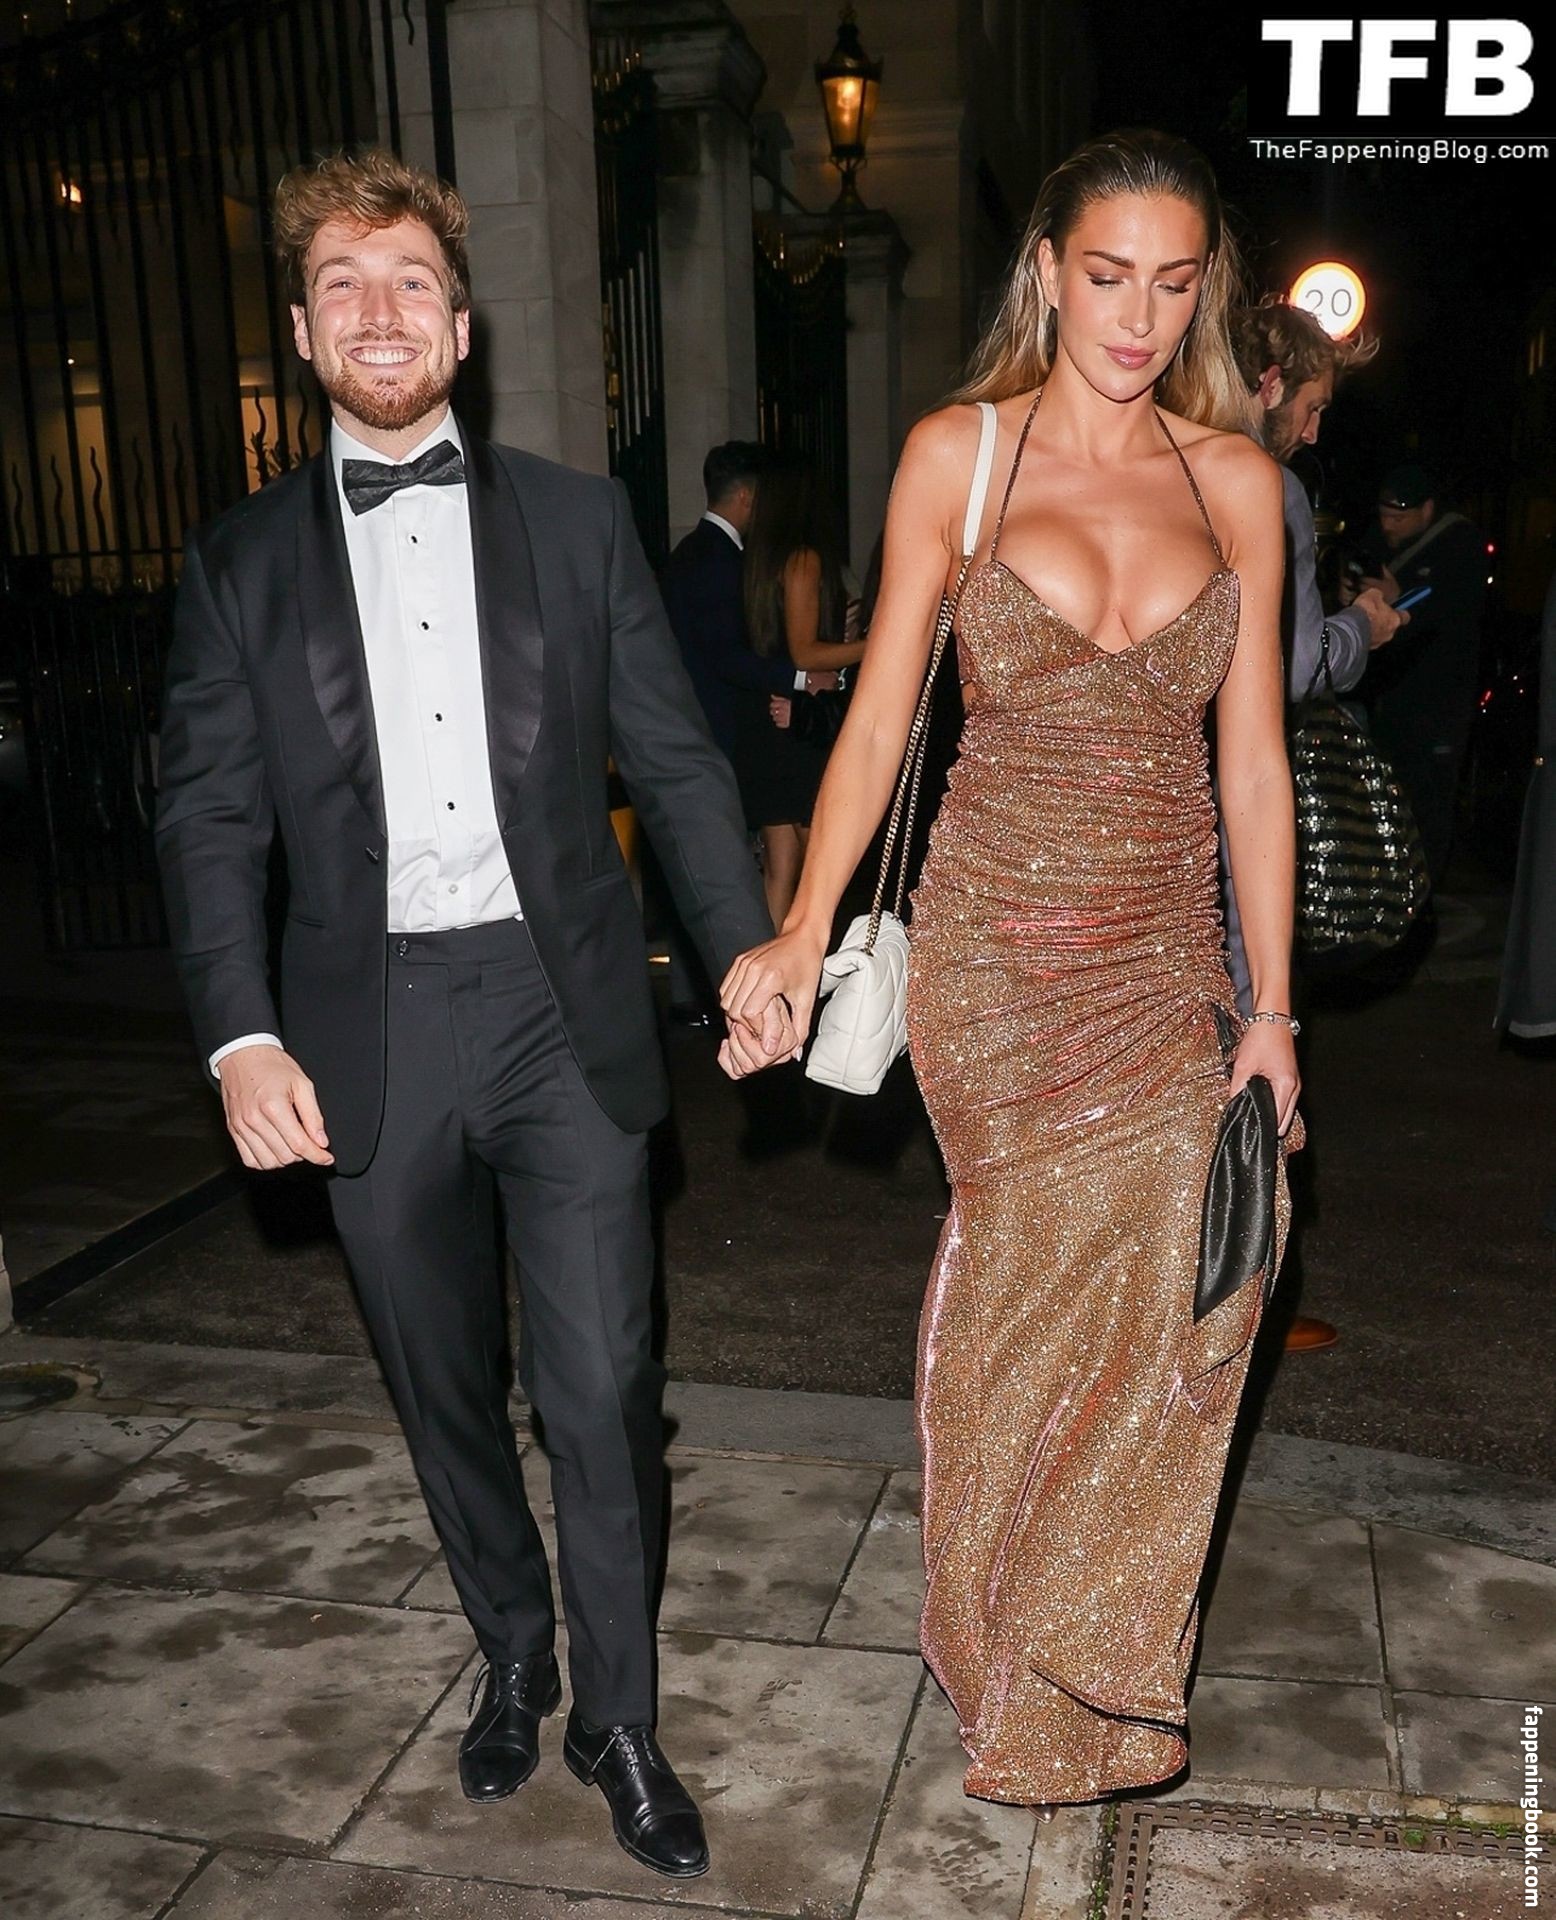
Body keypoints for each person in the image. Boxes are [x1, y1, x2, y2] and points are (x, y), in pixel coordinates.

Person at [154, 150, 793, 1880]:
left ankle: (620, 1719)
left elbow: (676, 760)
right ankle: (514, 1644)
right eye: (343, 286)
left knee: (604, 1386)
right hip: (361, 1029)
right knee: (443, 1386)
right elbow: (205, 818)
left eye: (412, 283)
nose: (381, 313)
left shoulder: (578, 524)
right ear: (304, 334)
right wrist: (239, 1034)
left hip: (557, 1002)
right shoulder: (237, 565)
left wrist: (745, 950)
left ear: (463, 325)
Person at [719, 129, 1301, 1809]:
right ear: (1047, 269)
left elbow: (1253, 766)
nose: (1136, 316)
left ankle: (1089, 1670)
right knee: (1033, 1304)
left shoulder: (1237, 483)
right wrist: (802, 926)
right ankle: (1010, 1650)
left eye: (1171, 283)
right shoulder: (958, 458)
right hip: (994, 955)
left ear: (1205, 292)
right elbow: (878, 721)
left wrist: (1272, 1010)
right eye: (1106, 276)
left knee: (1198, 1287)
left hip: (1164, 952)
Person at [1227, 300, 1406, 1355]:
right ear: (1267, 384)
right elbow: (1289, 669)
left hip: (1134, 816)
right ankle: (1239, 1305)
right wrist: (1360, 631)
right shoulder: (1269, 488)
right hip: (1231, 826)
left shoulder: (1160, 457)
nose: (1313, 428)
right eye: (1311, 404)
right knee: (1252, 1058)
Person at [657, 442, 837, 1021]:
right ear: (745, 497)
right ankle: (746, 994)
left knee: (744, 864)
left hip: (709, 735)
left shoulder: (692, 554)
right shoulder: (719, 561)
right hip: (722, 737)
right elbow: (727, 657)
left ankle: (729, 994)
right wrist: (800, 676)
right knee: (732, 868)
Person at [734, 453, 868, 927]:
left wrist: (842, 637)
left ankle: (772, 971)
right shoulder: (805, 560)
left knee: (779, 869)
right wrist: (873, 646)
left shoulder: (759, 563)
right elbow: (806, 653)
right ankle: (825, 965)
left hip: (769, 724)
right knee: (823, 870)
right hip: (798, 731)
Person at [1347, 462, 1487, 887]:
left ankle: (1424, 892)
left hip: (1439, 702)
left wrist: (1399, 596)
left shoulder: (1458, 544)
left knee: (1429, 803)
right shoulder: (1379, 542)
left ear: (1426, 510)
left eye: (1399, 517)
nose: (1389, 525)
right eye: (1384, 515)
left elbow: (1447, 611)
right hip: (1388, 698)